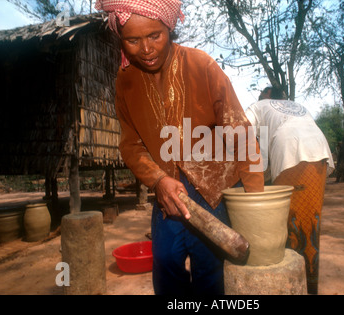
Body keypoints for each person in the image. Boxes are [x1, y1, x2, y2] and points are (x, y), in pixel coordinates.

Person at [95, 0, 264, 295]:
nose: (146, 49)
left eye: (154, 36)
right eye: (132, 40)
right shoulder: (125, 82)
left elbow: (241, 135)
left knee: (211, 269)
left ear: (169, 28)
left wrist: (257, 204)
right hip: (168, 189)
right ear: (120, 39)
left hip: (215, 188)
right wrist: (158, 180)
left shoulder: (201, 64)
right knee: (166, 262)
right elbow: (131, 144)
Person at [245, 87, 334, 295]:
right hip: (319, 151)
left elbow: (240, 131)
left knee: (296, 227)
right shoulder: (297, 107)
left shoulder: (259, 106)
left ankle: (300, 288)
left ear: (265, 97)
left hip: (292, 152)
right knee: (311, 222)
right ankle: (307, 287)